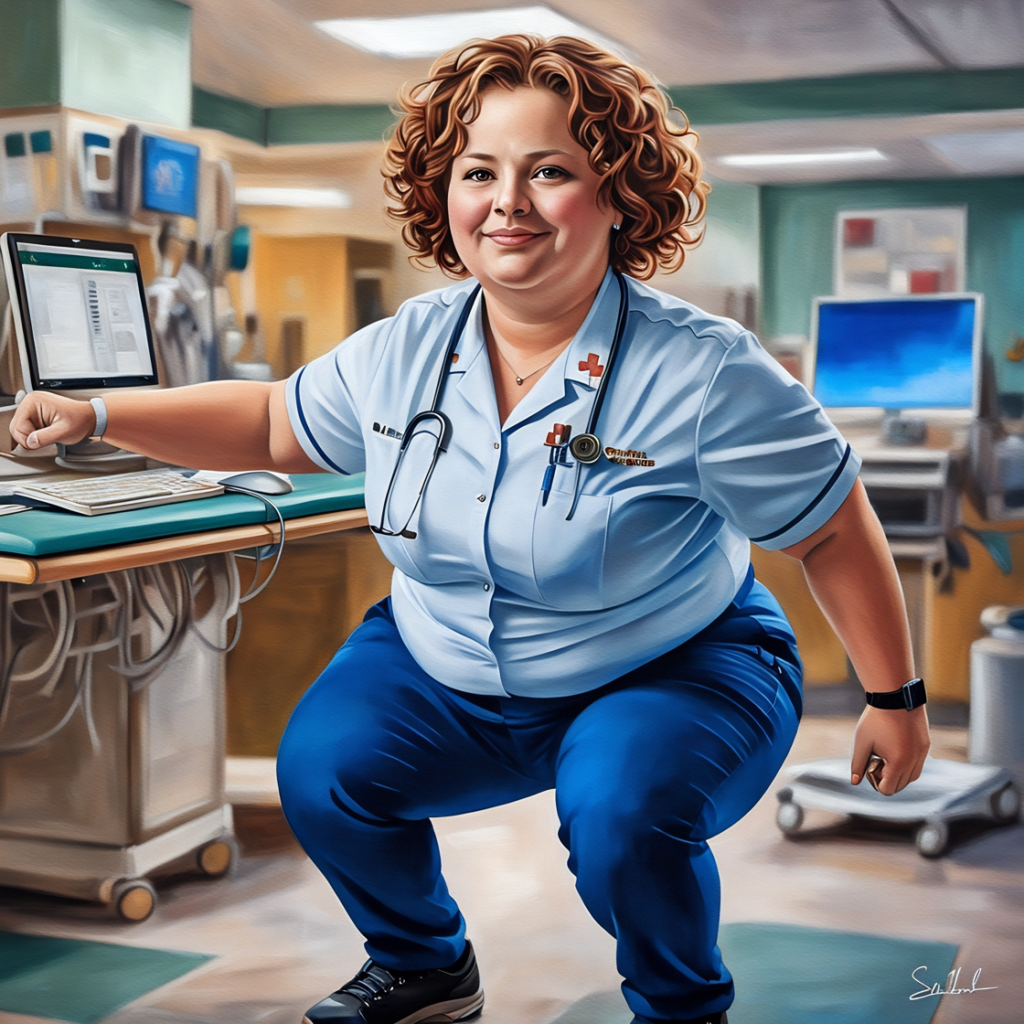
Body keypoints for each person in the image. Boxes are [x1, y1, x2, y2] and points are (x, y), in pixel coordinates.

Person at [11, 34, 930, 1024]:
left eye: (551, 172)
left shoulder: (704, 371)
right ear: (441, 193)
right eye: (479, 171)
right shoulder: (405, 346)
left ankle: (679, 1006)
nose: (508, 201)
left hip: (669, 662)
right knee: (322, 769)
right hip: (447, 655)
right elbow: (276, 421)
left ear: (619, 194)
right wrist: (99, 414)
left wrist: (895, 696)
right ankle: (423, 967)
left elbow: (831, 528)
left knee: (621, 816)